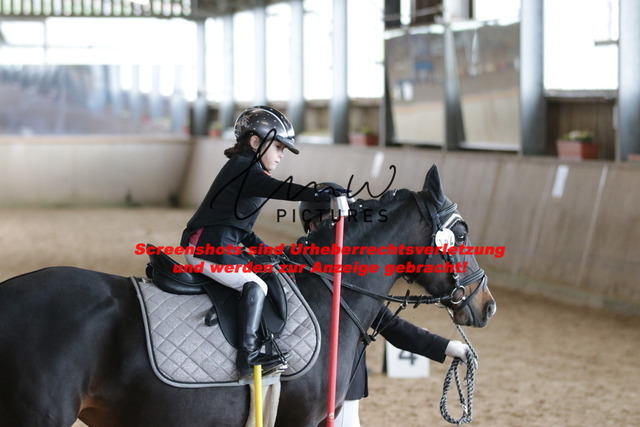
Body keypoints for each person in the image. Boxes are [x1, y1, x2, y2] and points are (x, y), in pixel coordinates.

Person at [180, 106, 345, 378]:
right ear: (256, 142)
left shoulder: (249, 170)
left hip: (220, 245)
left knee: (268, 272)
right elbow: (280, 189)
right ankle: (249, 357)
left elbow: (242, 231)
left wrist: (268, 251)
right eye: (278, 147)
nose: (281, 155)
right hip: (205, 248)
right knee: (254, 284)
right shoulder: (244, 170)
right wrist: (320, 194)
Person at [298, 196, 470, 427]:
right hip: (310, 385)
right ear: (313, 225)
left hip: (340, 388)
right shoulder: (300, 268)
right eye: (336, 219)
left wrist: (447, 347)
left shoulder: (352, 276)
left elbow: (389, 324)